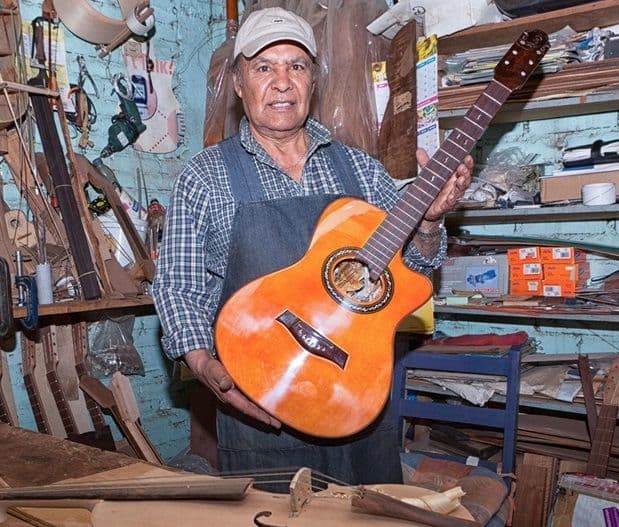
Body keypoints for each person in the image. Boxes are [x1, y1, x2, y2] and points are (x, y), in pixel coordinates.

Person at [153, 7, 472, 485]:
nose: (282, 82)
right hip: (262, 408)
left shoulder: (361, 172)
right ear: (240, 84)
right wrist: (202, 362)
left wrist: (428, 222)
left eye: (296, 66)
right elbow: (178, 286)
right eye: (264, 67)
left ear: (314, 82)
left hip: (358, 399)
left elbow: (414, 275)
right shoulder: (204, 177)